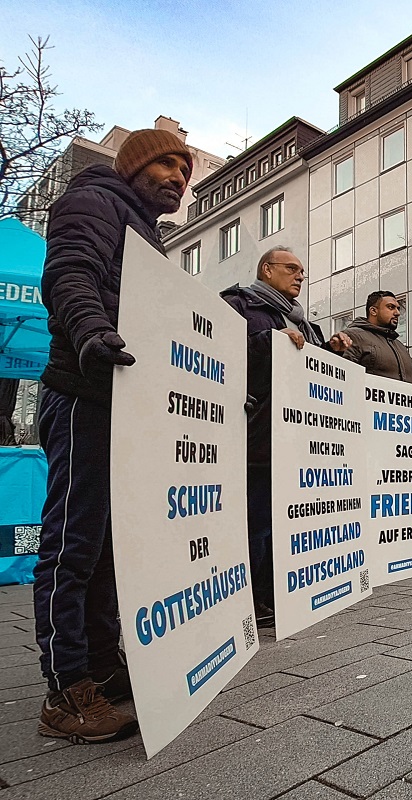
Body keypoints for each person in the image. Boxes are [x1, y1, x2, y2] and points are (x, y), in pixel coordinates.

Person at [34, 129, 194, 743]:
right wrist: (91, 333)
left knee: (102, 549)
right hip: (84, 387)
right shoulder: (91, 202)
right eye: (165, 163)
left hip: (122, 400)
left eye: (184, 169)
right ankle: (63, 688)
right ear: (132, 167)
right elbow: (71, 275)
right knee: (72, 545)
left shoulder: (147, 234)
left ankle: (101, 669)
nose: (178, 176)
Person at [223, 247, 352, 627]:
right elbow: (225, 355)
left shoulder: (304, 323)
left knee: (288, 519)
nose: (299, 276)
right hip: (259, 433)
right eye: (291, 269)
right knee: (257, 519)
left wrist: (327, 351)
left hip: (299, 439)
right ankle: (253, 597)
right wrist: (267, 341)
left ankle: (277, 591)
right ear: (266, 269)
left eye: (302, 272)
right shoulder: (240, 305)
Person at [337, 291, 412, 382]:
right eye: (391, 307)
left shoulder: (401, 347)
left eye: (398, 308)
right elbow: (342, 377)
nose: (397, 313)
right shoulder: (353, 337)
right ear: (373, 311)